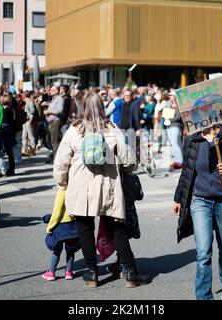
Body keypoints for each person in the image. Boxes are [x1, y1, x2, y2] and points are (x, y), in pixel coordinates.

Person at [53, 91, 149, 288]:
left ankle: (92, 273)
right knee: (118, 230)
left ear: (81, 108)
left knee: (85, 230)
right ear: (102, 107)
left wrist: (62, 182)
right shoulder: (111, 129)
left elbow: (61, 161)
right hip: (109, 186)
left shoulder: (74, 130)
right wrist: (127, 169)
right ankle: (130, 272)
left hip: (81, 188)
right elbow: (129, 160)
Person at [173, 123, 222, 300]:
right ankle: (203, 296)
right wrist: (178, 198)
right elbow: (187, 170)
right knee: (203, 252)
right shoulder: (192, 138)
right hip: (199, 201)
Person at [42, 189, 80, 281]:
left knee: (56, 250)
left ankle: (51, 273)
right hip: (73, 225)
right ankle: (69, 272)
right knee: (70, 250)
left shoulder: (62, 191)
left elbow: (57, 211)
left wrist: (50, 227)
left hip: (61, 226)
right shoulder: (76, 190)